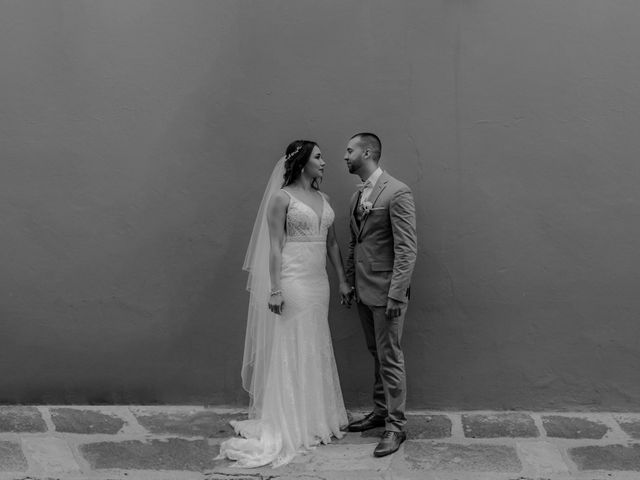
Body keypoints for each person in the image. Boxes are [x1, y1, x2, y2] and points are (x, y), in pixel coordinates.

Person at [218, 140, 352, 468]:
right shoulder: (282, 198)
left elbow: (333, 243)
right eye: (318, 157)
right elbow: (275, 246)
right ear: (303, 161)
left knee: (315, 343)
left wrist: (343, 280)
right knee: (292, 346)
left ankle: (313, 417)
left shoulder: (323, 199)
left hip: (318, 282)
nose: (324, 162)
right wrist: (275, 289)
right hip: (292, 280)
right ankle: (288, 421)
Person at [343, 133, 417, 457]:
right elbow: (354, 244)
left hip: (387, 293)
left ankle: (396, 427)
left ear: (368, 152)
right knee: (376, 353)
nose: (345, 156)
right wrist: (349, 283)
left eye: (349, 150)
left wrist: (396, 296)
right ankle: (379, 411)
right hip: (363, 290)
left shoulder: (397, 192)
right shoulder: (356, 196)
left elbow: (407, 249)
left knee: (390, 357)